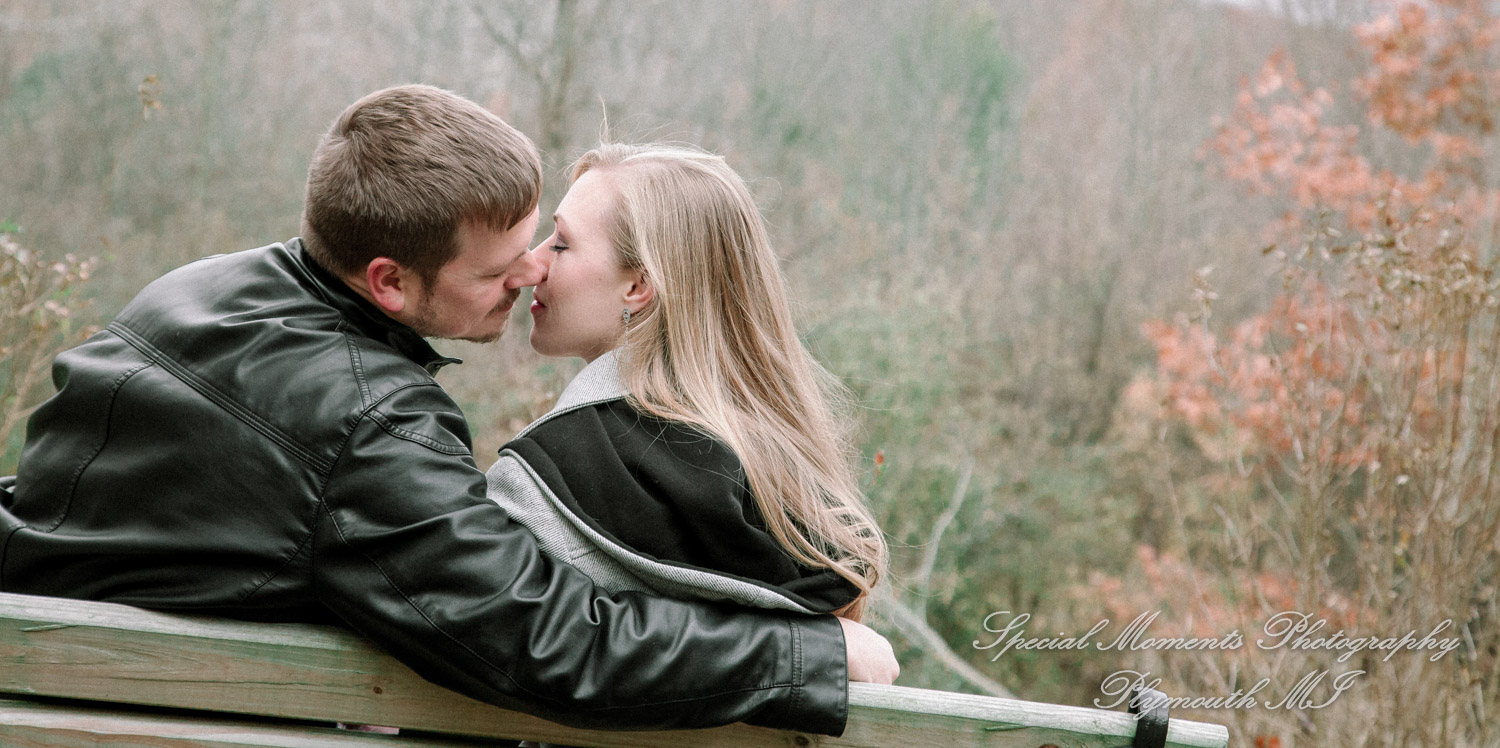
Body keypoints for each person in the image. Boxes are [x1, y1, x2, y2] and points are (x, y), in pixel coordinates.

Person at [0, 84, 896, 737]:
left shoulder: (191, 292)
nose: (532, 271)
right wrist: (799, 658)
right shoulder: (370, 425)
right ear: (389, 280)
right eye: (504, 263)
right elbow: (543, 637)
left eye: (545, 239)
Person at [488, 143, 887, 628]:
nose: (533, 264)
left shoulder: (536, 483)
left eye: (562, 244)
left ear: (638, 286)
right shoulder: (790, 496)